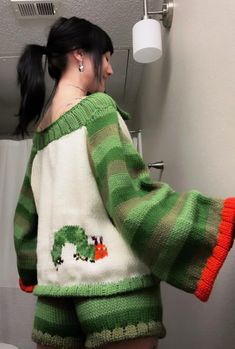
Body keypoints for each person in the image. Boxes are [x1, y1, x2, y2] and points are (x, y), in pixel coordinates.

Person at [13, 16, 235, 349]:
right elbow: (129, 198)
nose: (110, 69)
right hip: (116, 288)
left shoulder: (41, 138)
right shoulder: (98, 109)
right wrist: (213, 221)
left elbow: (25, 222)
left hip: (55, 296)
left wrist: (33, 271)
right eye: (106, 57)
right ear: (79, 56)